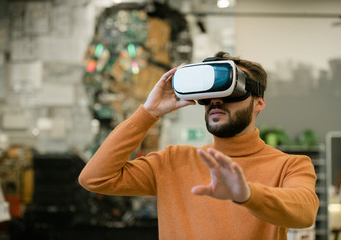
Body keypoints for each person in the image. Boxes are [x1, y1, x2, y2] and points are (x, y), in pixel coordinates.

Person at [79, 51, 319, 240]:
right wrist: (148, 113)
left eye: (231, 90)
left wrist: (247, 194)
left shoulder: (290, 165)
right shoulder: (172, 161)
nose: (216, 100)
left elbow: (304, 212)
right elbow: (95, 178)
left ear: (259, 103)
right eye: (210, 92)